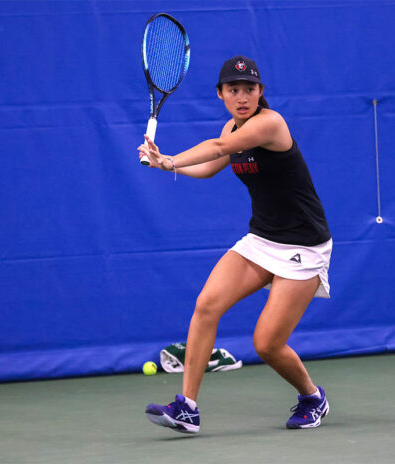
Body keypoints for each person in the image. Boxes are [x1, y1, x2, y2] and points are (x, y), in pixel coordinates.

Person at [138, 55, 332, 434]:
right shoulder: (233, 127)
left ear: (261, 92)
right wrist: (165, 165)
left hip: (303, 247)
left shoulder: (270, 124)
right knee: (207, 305)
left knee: (266, 344)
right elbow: (210, 166)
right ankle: (187, 408)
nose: (242, 96)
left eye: (249, 89)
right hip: (262, 239)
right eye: (233, 90)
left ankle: (313, 397)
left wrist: (171, 158)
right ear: (221, 94)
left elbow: (213, 148)